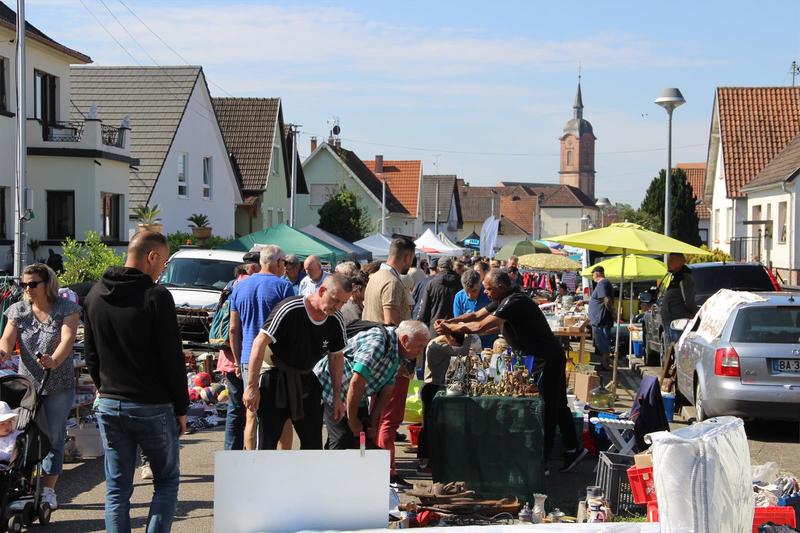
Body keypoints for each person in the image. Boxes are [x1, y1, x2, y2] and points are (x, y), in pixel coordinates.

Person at [82, 231, 188, 532]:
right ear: (151, 256)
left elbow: (90, 355)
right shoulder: (156, 296)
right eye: (163, 262)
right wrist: (181, 407)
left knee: (117, 488)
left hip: (110, 402)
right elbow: (172, 357)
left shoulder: (94, 294)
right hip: (152, 404)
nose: (162, 269)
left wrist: (105, 387)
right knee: (166, 481)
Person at [435, 269, 587, 474]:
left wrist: (452, 329)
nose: (485, 292)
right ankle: (572, 448)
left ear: (501, 287)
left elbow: (480, 325)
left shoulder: (514, 301)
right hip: (542, 357)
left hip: (546, 360)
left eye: (488, 289)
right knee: (558, 404)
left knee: (547, 408)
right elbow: (475, 316)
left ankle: (542, 462)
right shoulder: (502, 300)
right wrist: (451, 322)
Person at [0, 263, 80, 510]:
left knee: (53, 438)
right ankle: (20, 485)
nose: (27, 289)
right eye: (24, 284)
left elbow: (67, 338)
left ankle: (48, 490)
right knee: (21, 435)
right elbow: (6, 338)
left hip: (58, 383)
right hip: (28, 386)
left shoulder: (66, 308)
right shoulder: (18, 310)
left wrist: (54, 360)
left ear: (48, 285)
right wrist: (2, 352)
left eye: (33, 284)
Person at [243, 274, 352, 450]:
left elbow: (336, 357)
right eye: (335, 300)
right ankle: (261, 475)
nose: (338, 307)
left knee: (313, 443)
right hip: (274, 377)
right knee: (266, 440)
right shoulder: (290, 308)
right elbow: (259, 342)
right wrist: (251, 387)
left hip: (306, 378)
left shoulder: (336, 319)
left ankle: (307, 477)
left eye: (343, 303)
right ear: (322, 290)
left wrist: (338, 397)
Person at [314, 320, 430, 450]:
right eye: (419, 346)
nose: (421, 352)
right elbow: (356, 383)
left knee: (363, 438)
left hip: (356, 395)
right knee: (342, 438)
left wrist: (373, 421)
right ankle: (334, 468)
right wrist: (352, 420)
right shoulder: (378, 343)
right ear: (404, 339)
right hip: (331, 387)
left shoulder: (400, 351)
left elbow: (388, 387)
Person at [361, 237, 416, 489]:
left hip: (375, 358)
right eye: (411, 259)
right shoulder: (392, 282)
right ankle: (388, 472)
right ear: (405, 257)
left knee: (379, 416)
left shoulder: (375, 278)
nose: (410, 264)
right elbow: (391, 324)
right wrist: (401, 362)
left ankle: (382, 470)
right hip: (390, 360)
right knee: (389, 419)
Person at [229, 245, 294, 451]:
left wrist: (238, 361)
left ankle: (252, 464)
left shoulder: (239, 286)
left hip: (248, 356)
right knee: (284, 416)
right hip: (276, 359)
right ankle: (284, 465)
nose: (285, 267)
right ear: (276, 262)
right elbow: (289, 326)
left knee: (251, 414)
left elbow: (233, 329)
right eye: (284, 262)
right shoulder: (283, 287)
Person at [453, 269, 495, 349]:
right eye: (467, 292)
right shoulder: (459, 297)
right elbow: (458, 322)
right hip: (469, 345)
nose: (470, 295)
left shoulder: (490, 295)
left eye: (474, 291)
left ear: (480, 284)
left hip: (489, 343)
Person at [662, 253, 697, 344]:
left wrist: (693, 314)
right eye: (668, 261)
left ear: (680, 262)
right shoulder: (675, 276)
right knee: (672, 350)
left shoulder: (684, 277)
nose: (668, 263)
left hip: (679, 322)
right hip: (672, 321)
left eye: (671, 261)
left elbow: (689, 299)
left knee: (677, 348)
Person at [418, 258, 462, 330]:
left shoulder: (432, 283)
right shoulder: (460, 282)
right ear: (451, 267)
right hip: (455, 328)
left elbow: (424, 310)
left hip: (436, 327)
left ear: (438, 268)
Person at [588, 266, 615, 371]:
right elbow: (598, 300)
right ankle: (604, 364)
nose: (592, 276)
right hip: (600, 319)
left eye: (593, 274)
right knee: (602, 342)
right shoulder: (602, 284)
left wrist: (613, 313)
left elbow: (607, 300)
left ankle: (605, 365)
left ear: (597, 273)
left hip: (601, 320)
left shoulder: (602, 283)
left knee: (603, 342)